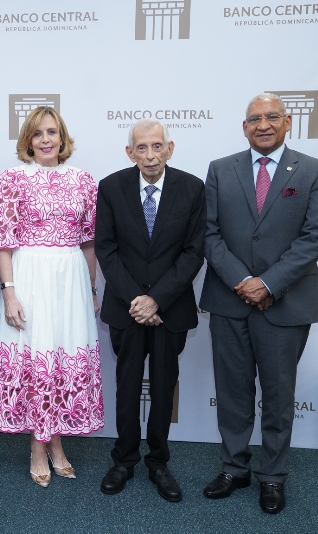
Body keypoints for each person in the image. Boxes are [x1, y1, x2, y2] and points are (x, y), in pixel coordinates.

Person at [200, 93, 318, 514]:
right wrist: (243, 280)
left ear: (287, 122)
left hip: (286, 303)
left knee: (278, 395)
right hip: (229, 298)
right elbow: (210, 233)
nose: (263, 124)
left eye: (272, 116)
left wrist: (268, 283)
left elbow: (316, 236)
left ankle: (272, 476)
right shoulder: (221, 170)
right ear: (244, 127)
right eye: (254, 118)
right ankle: (234, 468)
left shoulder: (314, 170)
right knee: (233, 392)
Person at [0, 106, 102, 487]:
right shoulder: (11, 180)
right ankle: (39, 449)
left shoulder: (85, 181)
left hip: (70, 280)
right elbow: (3, 245)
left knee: (60, 358)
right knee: (36, 361)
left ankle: (57, 444)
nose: (47, 140)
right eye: (38, 134)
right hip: (28, 276)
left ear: (63, 138)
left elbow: (89, 243)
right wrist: (8, 294)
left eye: (53, 132)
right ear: (28, 141)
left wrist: (91, 288)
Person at [95, 118, 205, 503]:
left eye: (157, 146)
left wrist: (156, 299)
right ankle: (123, 460)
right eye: (141, 148)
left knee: (162, 389)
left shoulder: (192, 188)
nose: (150, 154)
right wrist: (136, 302)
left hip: (170, 310)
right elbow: (106, 250)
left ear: (169, 149)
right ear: (130, 153)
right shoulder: (110, 188)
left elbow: (194, 252)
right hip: (126, 310)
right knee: (127, 388)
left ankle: (158, 462)